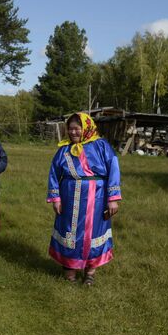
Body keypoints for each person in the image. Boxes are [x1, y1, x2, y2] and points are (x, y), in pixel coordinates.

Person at [46, 112, 121, 286]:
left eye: (77, 129)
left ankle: (90, 272)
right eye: (70, 129)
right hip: (70, 197)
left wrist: (113, 198)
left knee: (94, 232)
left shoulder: (101, 146)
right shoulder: (63, 149)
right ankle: (69, 270)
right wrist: (56, 198)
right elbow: (53, 175)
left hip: (98, 197)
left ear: (86, 128)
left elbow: (113, 170)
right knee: (70, 232)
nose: (73, 132)